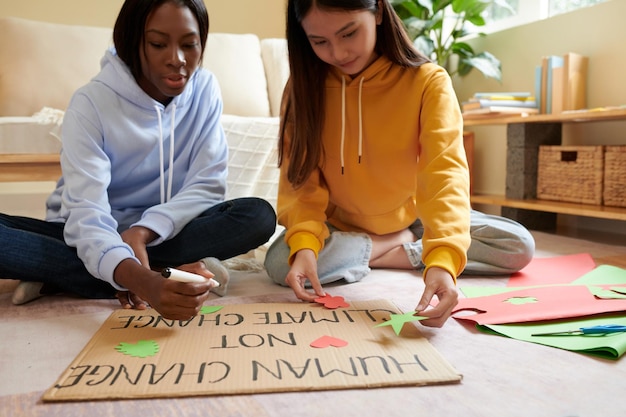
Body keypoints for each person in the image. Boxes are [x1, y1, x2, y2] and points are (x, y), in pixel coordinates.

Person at [264, 0, 535, 327]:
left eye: (348, 33)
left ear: (378, 11)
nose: (337, 52)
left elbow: (444, 174)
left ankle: (395, 248)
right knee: (282, 262)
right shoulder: (301, 90)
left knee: (517, 245)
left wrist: (443, 262)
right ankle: (397, 246)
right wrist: (306, 245)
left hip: (413, 215)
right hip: (337, 223)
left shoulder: (428, 82)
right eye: (319, 41)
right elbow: (301, 184)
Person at [0, 0, 276, 320]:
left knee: (257, 215)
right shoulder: (90, 103)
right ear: (133, 41)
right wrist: (144, 281)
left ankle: (82, 274)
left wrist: (144, 230)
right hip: (86, 232)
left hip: (164, 233)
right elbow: (87, 215)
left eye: (190, 44)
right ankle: (156, 271)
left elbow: (207, 184)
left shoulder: (205, 89)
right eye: (158, 44)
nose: (177, 59)